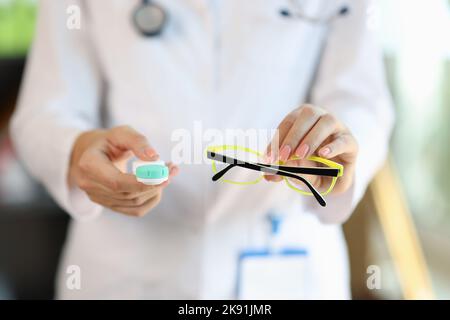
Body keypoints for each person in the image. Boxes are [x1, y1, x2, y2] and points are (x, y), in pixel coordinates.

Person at [10, 0, 393, 299]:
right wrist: (78, 151)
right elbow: (43, 111)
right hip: (125, 267)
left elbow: (363, 102)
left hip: (286, 254)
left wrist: (337, 152)